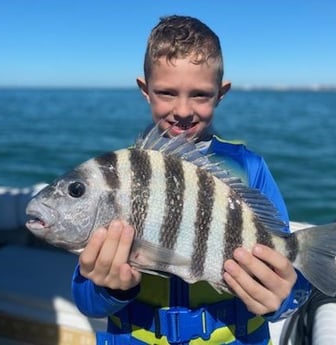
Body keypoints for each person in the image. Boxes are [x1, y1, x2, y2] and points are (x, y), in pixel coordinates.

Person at [72, 15, 311, 345]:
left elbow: (292, 287)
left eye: (200, 95)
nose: (182, 110)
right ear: (145, 90)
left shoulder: (249, 167)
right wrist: (107, 285)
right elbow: (87, 301)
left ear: (220, 93)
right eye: (166, 92)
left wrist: (280, 300)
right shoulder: (119, 178)